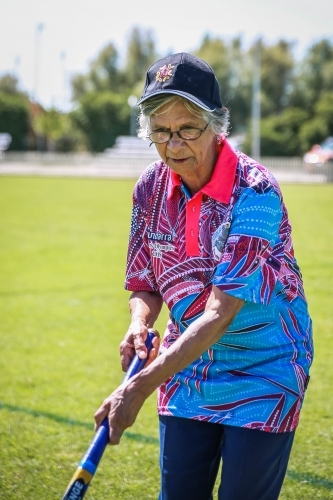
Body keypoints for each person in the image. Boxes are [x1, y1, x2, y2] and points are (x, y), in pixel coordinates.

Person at [94, 52, 313, 500]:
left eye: (188, 129)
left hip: (265, 368)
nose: (174, 145)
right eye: (160, 132)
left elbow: (219, 312)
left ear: (218, 124)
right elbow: (144, 280)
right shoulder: (149, 188)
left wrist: (135, 388)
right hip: (186, 367)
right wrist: (139, 322)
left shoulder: (255, 191)